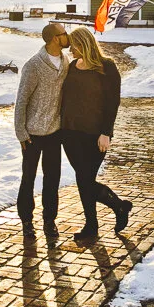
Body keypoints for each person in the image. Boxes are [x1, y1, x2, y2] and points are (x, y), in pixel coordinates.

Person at [60, 27, 132, 243]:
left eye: (74, 46)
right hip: (69, 133)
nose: (71, 50)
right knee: (84, 179)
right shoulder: (72, 66)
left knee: (85, 179)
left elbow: (113, 103)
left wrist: (106, 132)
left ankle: (115, 209)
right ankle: (103, 217)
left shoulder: (106, 67)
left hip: (94, 135)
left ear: (84, 44)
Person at [14, 22, 69, 239]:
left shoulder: (66, 62)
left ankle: (49, 220)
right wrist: (21, 133)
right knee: (28, 178)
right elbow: (22, 100)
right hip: (32, 134)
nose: (68, 37)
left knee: (52, 178)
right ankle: (27, 221)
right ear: (55, 38)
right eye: (64, 34)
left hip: (54, 132)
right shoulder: (33, 65)